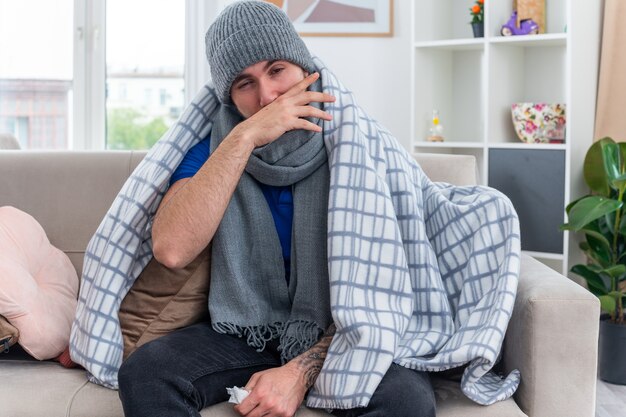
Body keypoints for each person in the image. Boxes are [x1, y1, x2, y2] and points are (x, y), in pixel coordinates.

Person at [117, 2, 436, 417]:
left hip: (343, 333)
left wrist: (299, 372)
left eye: (276, 70)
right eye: (243, 83)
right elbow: (172, 249)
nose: (267, 95)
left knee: (407, 400)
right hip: (243, 332)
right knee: (147, 372)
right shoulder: (213, 150)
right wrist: (245, 136)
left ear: (306, 70)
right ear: (228, 98)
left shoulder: (359, 148)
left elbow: (384, 293)